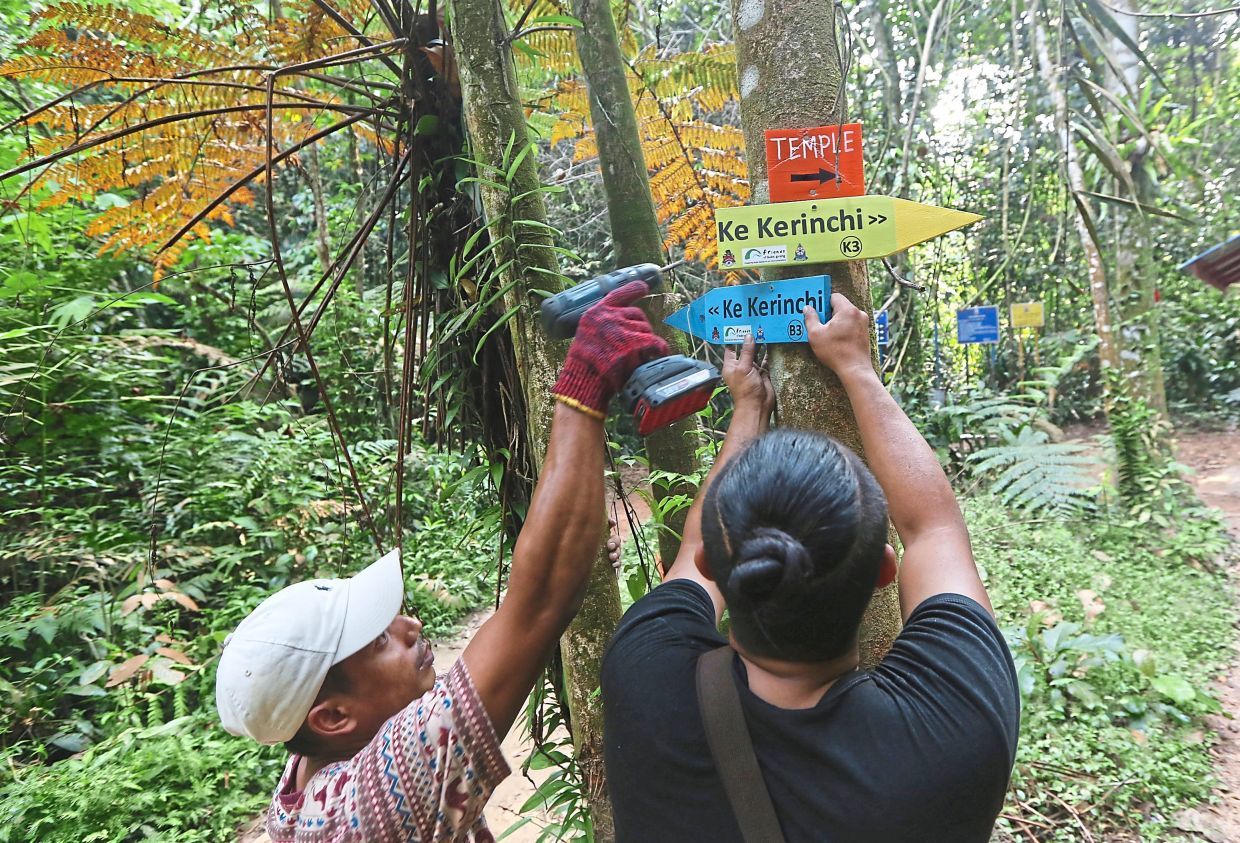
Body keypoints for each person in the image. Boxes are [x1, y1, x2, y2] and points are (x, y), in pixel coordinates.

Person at [215, 281, 667, 842]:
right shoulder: (374, 801)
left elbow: (504, 639)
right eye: (380, 642)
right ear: (331, 717)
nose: (411, 626)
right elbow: (541, 598)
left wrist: (578, 532)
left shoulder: (306, 779)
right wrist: (585, 381)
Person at [601, 293, 1020, 843]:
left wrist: (747, 407)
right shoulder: (958, 731)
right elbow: (934, 530)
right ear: (882, 574)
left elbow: (694, 558)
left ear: (713, 561)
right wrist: (856, 368)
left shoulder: (641, 672)